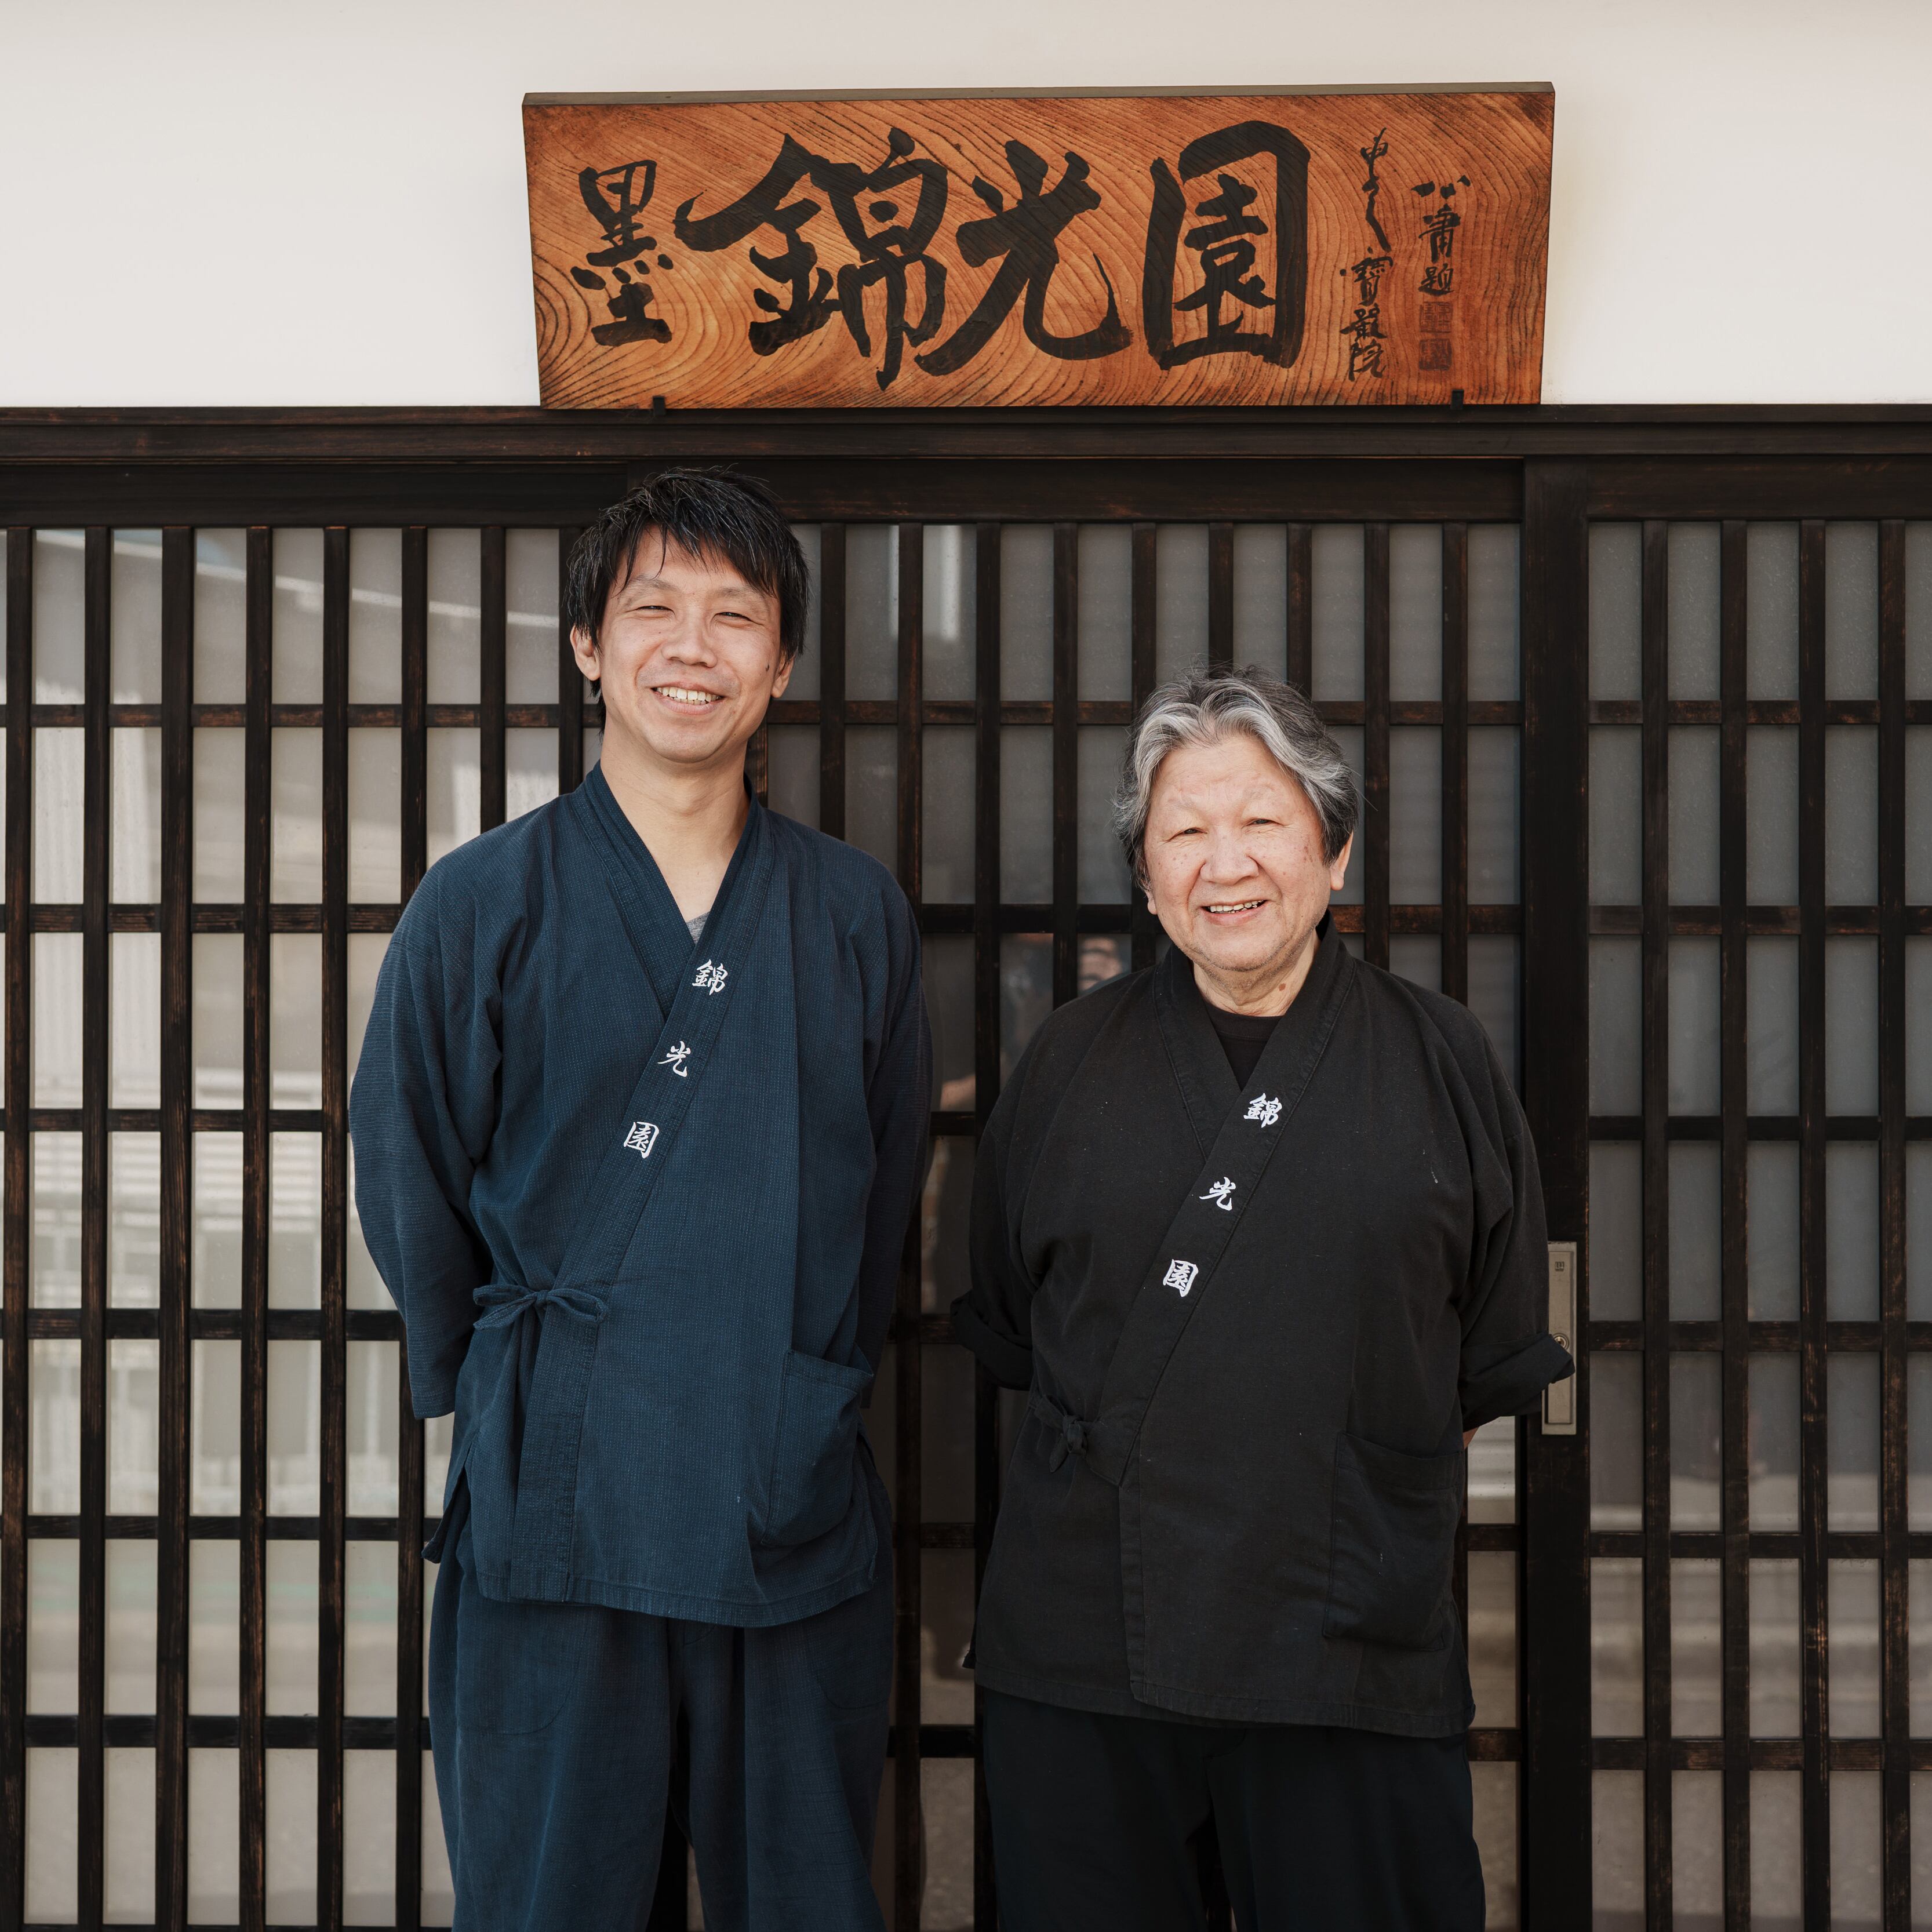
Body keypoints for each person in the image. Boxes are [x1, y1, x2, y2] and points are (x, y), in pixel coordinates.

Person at [351, 470, 929, 1932]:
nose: (693, 643)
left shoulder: (852, 910)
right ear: (588, 646)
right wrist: (492, 1382)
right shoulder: (480, 900)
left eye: (734, 614)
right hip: (561, 1490)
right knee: (554, 1896)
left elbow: (879, 1201)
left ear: (781, 663)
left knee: (801, 1895)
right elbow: (404, 1156)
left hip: (777, 1484)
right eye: (652, 607)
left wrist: (802, 1373)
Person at [952, 665, 1571, 1932]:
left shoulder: (1440, 1054)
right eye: (1182, 829)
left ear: (1332, 851)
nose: (1221, 863)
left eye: (1262, 821)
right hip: (1088, 1648)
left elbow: (1485, 1338)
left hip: (1345, 1636)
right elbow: (1013, 1320)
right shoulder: (1069, 1060)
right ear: (1143, 873)